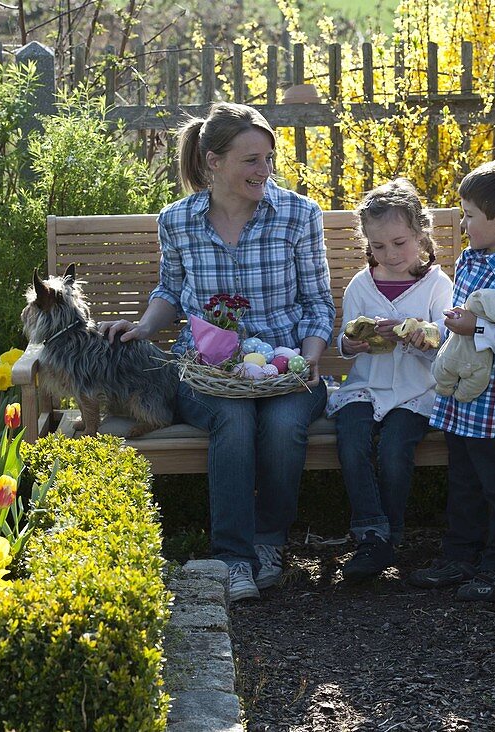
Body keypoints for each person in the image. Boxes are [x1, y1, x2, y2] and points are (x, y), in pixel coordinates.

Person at [100, 103, 335, 602]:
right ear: (213, 160)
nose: (264, 170)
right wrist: (143, 327)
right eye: (250, 160)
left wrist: (310, 359)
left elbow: (317, 304)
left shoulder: (298, 214)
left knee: (280, 423)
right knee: (233, 418)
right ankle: (232, 557)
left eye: (268, 158)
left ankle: (268, 542)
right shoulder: (178, 221)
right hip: (206, 372)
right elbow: (170, 291)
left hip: (285, 368)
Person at [407, 160, 495, 602]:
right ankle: (460, 555)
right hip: (461, 399)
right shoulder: (471, 259)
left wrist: (478, 330)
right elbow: (460, 323)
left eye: (469, 215)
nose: (463, 224)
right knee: (463, 479)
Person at [328, 179, 454, 581]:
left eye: (400, 243)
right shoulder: (362, 285)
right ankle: (371, 533)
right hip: (365, 385)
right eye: (378, 247)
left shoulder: (437, 285)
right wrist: (354, 342)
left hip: (417, 391)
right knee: (351, 441)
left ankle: (391, 534)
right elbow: (346, 338)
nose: (390, 254)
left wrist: (421, 332)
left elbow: (447, 338)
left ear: (421, 234)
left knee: (396, 448)